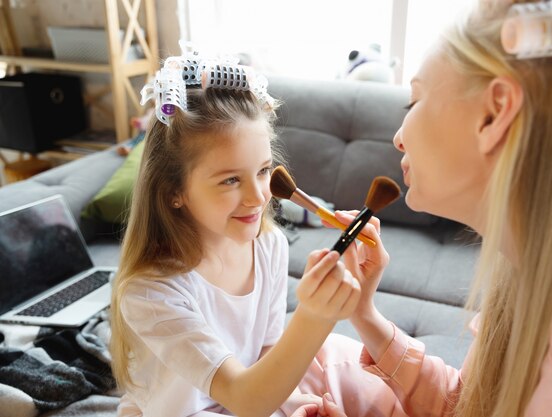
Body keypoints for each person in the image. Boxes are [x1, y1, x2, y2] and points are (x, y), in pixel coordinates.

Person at [292, 0, 552, 416]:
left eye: (413, 104)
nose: (398, 138)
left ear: (494, 114)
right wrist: (365, 314)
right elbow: (471, 405)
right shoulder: (528, 274)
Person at [108, 54, 363, 417]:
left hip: (246, 396)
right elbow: (243, 398)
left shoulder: (268, 245)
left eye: (262, 171)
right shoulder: (151, 291)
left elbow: (266, 352)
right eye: (230, 180)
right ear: (173, 192)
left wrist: (289, 402)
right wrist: (316, 316)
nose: (259, 196)